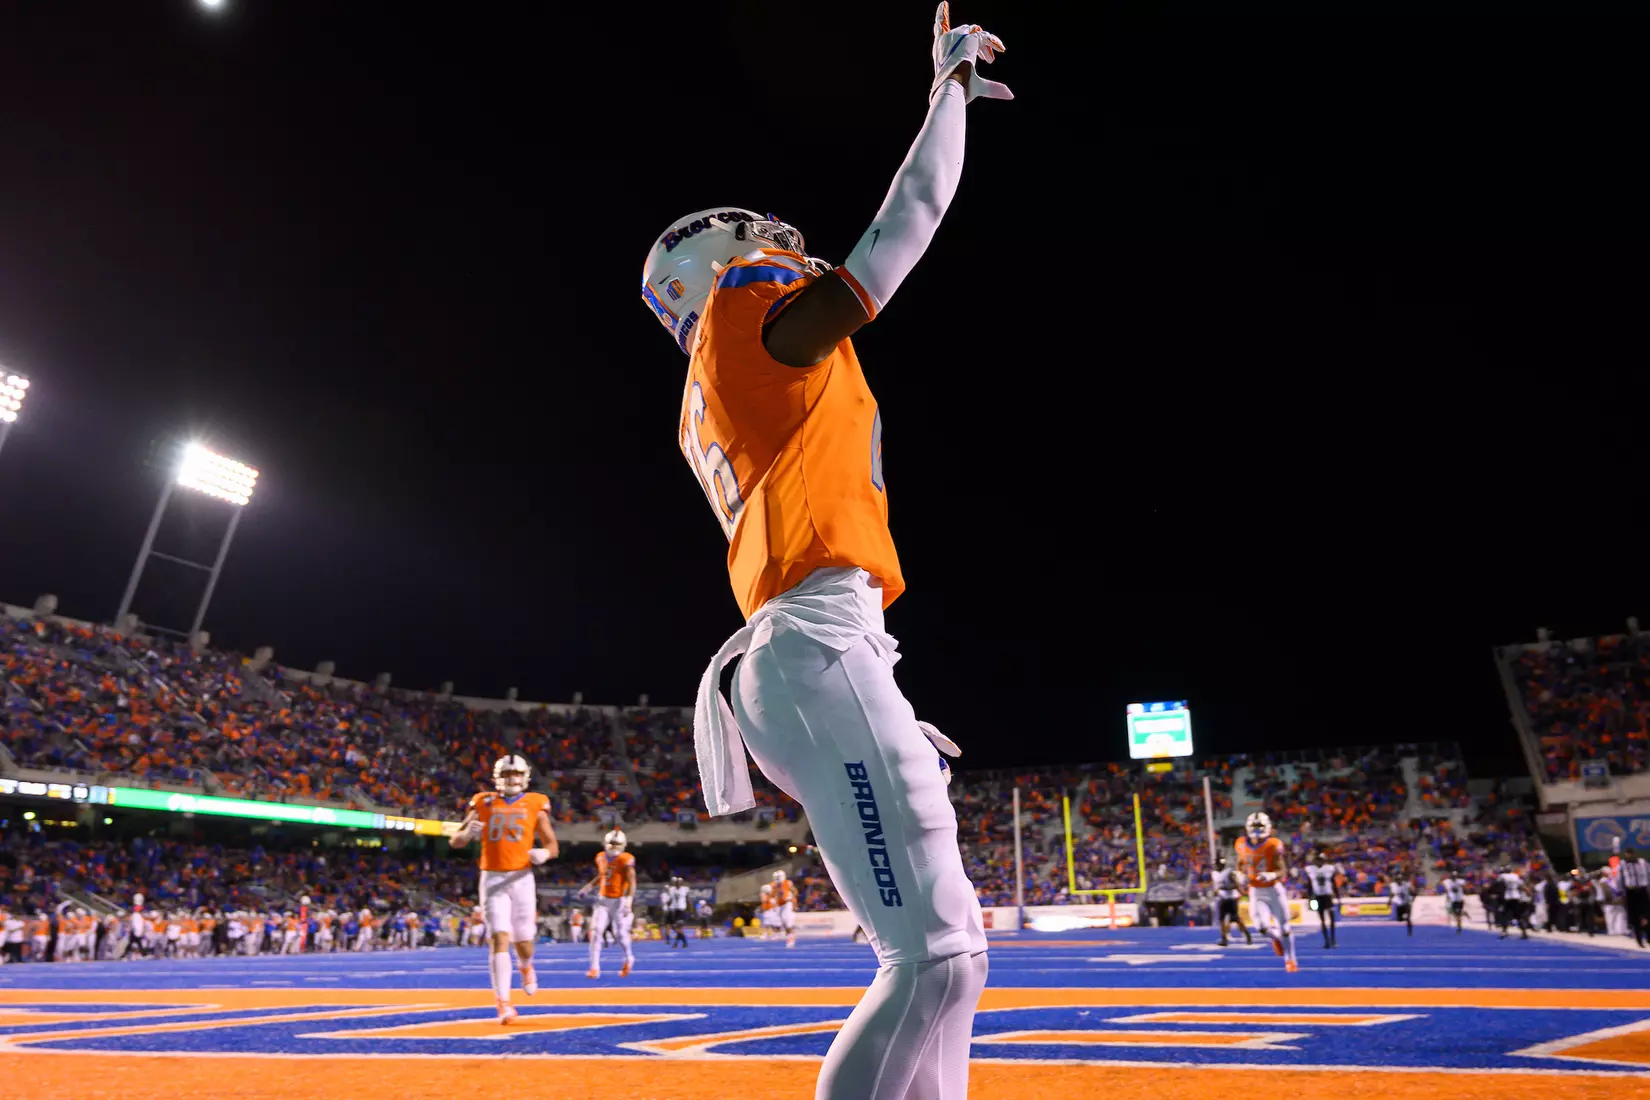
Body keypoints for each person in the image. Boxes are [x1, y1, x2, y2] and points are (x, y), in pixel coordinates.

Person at [637, 7, 1009, 1097]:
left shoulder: (725, 375)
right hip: (812, 645)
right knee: (929, 956)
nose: (781, 247)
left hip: (823, 648)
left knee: (957, 955)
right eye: (756, 242)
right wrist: (946, 96)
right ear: (723, 264)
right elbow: (905, 228)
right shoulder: (743, 324)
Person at [450, 753, 559, 1024]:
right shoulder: (483, 801)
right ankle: (504, 1003)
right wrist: (467, 835)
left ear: (525, 776)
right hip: (492, 878)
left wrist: (544, 855)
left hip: (522, 878)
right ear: (498, 777)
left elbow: (553, 845)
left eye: (516, 774)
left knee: (523, 941)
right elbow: (455, 841)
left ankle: (525, 966)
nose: (512, 779)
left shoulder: (536, 802)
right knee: (499, 937)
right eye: (507, 774)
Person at [1235, 812, 1298, 973]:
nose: (1257, 830)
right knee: (1261, 927)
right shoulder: (1241, 844)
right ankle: (1276, 938)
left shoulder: (1273, 844)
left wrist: (1271, 874)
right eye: (1254, 827)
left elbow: (1282, 870)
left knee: (1285, 928)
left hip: (1273, 890)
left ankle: (1290, 960)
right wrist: (1240, 876)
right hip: (1255, 890)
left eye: (1259, 827)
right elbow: (1240, 864)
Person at [582, 830, 636, 979]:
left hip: (620, 900)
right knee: (596, 931)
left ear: (623, 844)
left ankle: (628, 958)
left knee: (620, 934)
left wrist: (629, 901)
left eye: (617, 843)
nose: (614, 846)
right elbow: (602, 875)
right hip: (603, 900)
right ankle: (594, 967)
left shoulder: (626, 859)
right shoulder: (600, 857)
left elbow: (632, 881)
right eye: (611, 843)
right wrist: (588, 887)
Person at [1211, 856, 1251, 947]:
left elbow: (1236, 883)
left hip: (1231, 898)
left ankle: (1246, 934)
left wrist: (1242, 892)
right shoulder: (1214, 873)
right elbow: (1217, 885)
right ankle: (1224, 938)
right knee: (1221, 919)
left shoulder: (1229, 872)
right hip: (1222, 898)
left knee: (1236, 919)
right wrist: (1216, 891)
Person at [1302, 852, 1340, 948]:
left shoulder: (1329, 869)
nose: (1319, 862)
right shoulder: (1311, 870)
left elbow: (1333, 883)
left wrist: (1338, 897)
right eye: (1317, 860)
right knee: (1322, 920)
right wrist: (1309, 898)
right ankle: (1326, 940)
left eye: (1320, 860)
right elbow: (1310, 885)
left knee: (1331, 919)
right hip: (1317, 896)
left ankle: (1333, 939)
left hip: (1328, 896)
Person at [664, 876, 691, 949]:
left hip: (682, 910)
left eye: (679, 882)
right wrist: (668, 904)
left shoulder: (685, 889)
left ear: (681, 883)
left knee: (679, 928)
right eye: (676, 882)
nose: (677, 884)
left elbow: (688, 900)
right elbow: (668, 892)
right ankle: (683, 943)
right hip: (675, 911)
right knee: (677, 928)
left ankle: (678, 943)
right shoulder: (672, 889)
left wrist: (691, 911)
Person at [1439, 869, 1468, 933]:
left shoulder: (1460, 881)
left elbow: (1466, 884)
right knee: (1456, 914)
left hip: (1459, 899)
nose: (1454, 878)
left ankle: (1459, 927)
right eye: (1453, 876)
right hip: (1453, 900)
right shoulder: (1448, 881)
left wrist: (1463, 886)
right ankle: (1463, 914)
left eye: (1455, 876)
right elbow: (1442, 881)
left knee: (1457, 914)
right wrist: (1446, 890)